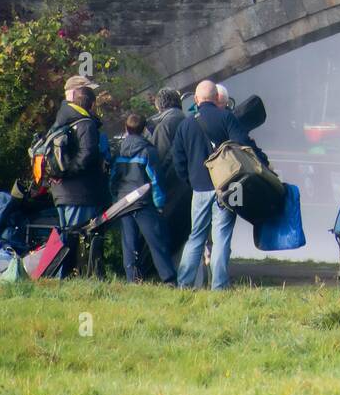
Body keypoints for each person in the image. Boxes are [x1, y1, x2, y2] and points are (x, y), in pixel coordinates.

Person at [171, 79, 266, 290]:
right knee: (221, 238)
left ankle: (184, 284)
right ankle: (219, 285)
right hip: (227, 187)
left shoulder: (185, 125)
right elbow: (242, 145)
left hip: (199, 189)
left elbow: (177, 159)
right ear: (216, 99)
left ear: (195, 100)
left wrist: (191, 181)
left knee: (196, 236)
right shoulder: (227, 118)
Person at [112, 113, 176, 284]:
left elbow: (113, 178)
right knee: (156, 242)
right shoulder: (149, 151)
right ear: (145, 129)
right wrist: (160, 204)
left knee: (129, 243)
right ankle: (168, 279)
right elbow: (156, 180)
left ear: (126, 128)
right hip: (143, 202)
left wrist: (115, 199)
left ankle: (133, 280)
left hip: (123, 202)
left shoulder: (119, 150)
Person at [46, 75, 111, 231]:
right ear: (76, 93)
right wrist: (68, 173)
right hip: (80, 195)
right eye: (87, 90)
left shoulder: (61, 120)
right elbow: (87, 153)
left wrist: (60, 176)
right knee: (81, 244)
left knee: (67, 244)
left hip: (62, 193)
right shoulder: (84, 122)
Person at [147, 87, 190, 257]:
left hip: (171, 186)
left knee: (168, 231)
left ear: (159, 105)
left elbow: (160, 158)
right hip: (186, 184)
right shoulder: (185, 120)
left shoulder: (165, 125)